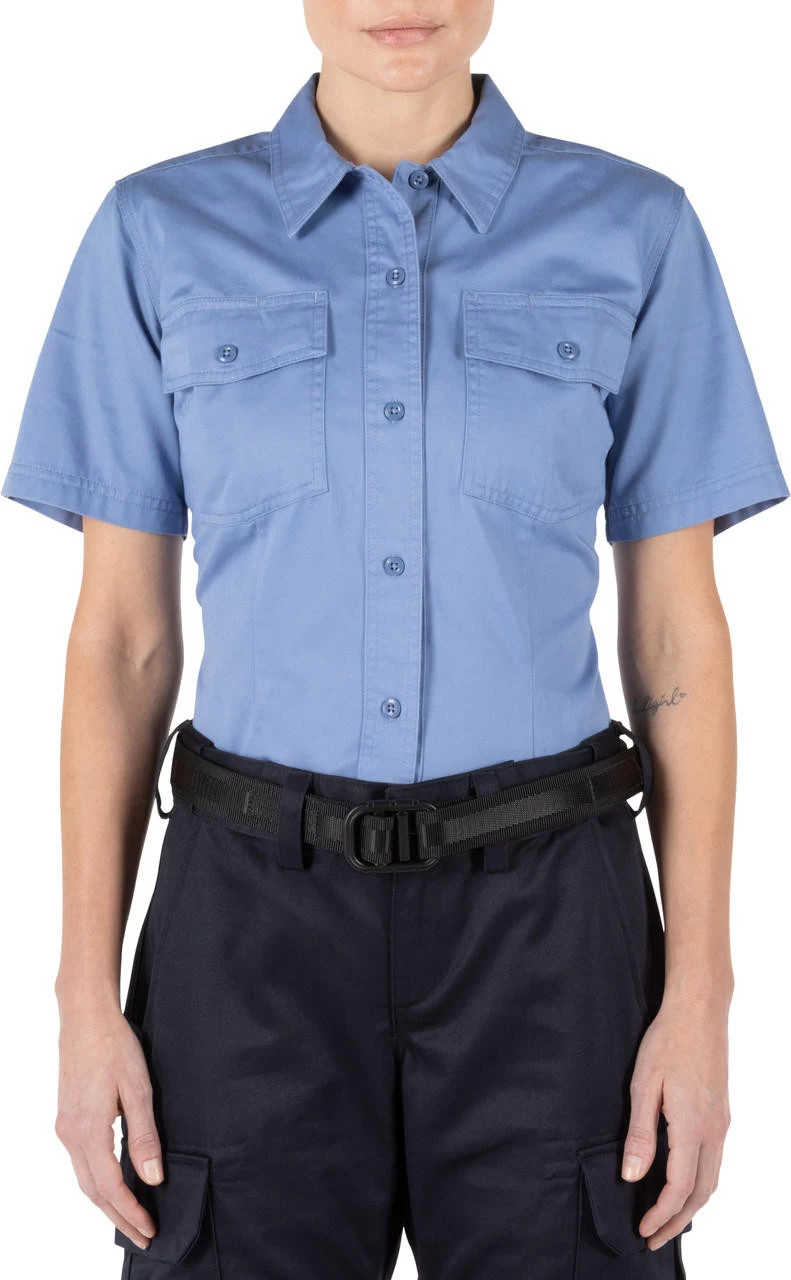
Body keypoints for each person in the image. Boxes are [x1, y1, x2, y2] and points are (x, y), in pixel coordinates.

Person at [3, 2, 788, 1276]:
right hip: (247, 923)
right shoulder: (155, 231)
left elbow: (676, 641)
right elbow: (121, 644)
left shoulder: (635, 230)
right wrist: (81, 996)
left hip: (549, 926)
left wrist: (699, 995)